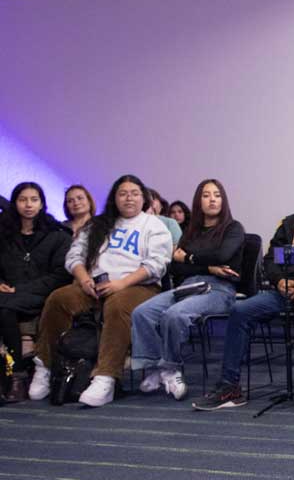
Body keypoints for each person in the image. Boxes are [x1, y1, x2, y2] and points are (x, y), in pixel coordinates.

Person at [192, 170, 294, 418]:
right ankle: (230, 388)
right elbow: (272, 259)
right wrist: (279, 280)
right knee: (240, 310)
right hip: (289, 289)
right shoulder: (291, 223)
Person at [28, 174, 172, 407]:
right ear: (114, 198)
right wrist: (84, 280)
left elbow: (156, 265)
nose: (129, 198)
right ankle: (45, 366)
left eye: (135, 193)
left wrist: (120, 284)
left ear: (143, 198)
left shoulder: (154, 225)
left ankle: (105, 377)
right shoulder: (97, 224)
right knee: (58, 299)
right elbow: (74, 256)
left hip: (137, 286)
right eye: (123, 193)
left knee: (117, 305)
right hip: (94, 285)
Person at [131, 179, 245, 400]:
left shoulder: (233, 228)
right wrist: (207, 265)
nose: (212, 199)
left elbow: (223, 256)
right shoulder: (192, 230)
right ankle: (154, 367)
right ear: (198, 201)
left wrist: (191, 257)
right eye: (206, 195)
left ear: (223, 200)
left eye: (217, 195)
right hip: (188, 285)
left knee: (174, 315)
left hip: (219, 289)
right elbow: (175, 265)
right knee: (142, 312)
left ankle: (171, 368)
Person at [0, 182, 72, 400]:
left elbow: (60, 275)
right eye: (23, 200)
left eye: (34, 199)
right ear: (14, 204)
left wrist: (20, 289)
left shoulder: (57, 235)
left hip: (41, 293)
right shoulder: (4, 234)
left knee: (4, 307)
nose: (28, 205)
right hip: (7, 293)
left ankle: (17, 376)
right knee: (4, 307)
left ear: (42, 203)